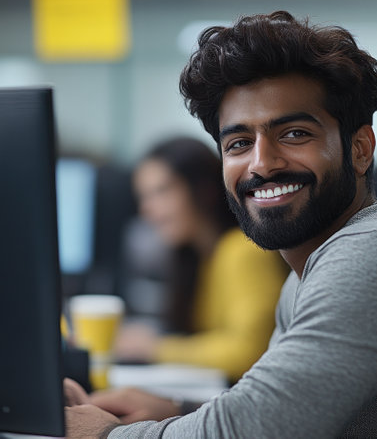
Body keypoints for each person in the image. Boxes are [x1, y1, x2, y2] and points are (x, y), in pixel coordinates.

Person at [65, 11, 377, 438]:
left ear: (360, 150)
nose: (262, 164)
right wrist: (179, 408)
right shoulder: (305, 272)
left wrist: (105, 435)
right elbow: (288, 409)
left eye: (294, 134)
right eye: (239, 143)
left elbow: (257, 430)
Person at [114, 136, 288, 383]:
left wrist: (154, 347)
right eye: (143, 197)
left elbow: (249, 353)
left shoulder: (241, 250)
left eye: (161, 191)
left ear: (203, 189)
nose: (147, 209)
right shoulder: (199, 257)